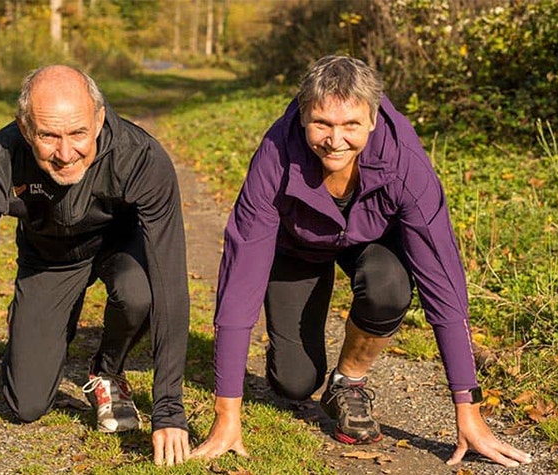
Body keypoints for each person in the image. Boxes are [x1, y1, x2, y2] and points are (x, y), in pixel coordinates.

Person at [191, 56, 533, 468]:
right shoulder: (274, 159)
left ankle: (347, 382)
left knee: (389, 286)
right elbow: (239, 282)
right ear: (302, 117)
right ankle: (302, 370)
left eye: (351, 125)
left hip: (371, 241)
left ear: (372, 118)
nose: (336, 140)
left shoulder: (405, 162)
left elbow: (443, 287)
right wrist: (226, 415)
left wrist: (469, 411)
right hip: (297, 247)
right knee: (294, 385)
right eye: (322, 124)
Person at [0, 65, 191, 475]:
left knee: (139, 293)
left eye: (78, 133)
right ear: (24, 128)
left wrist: (168, 410)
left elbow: (172, 286)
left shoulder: (141, 157)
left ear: (99, 119)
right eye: (48, 136)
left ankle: (107, 371)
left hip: (120, 247)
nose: (66, 151)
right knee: (26, 404)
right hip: (50, 258)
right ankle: (33, 324)